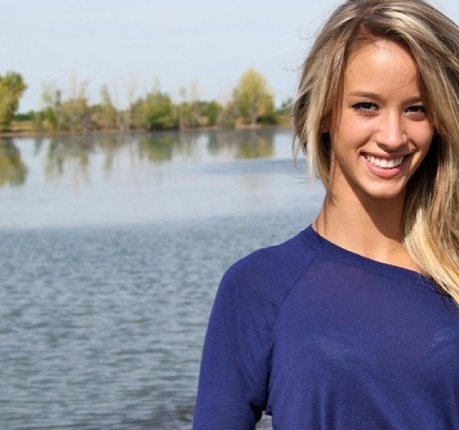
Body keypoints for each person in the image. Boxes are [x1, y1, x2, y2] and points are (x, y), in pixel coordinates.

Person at [193, 0, 459, 428]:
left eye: (417, 109)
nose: (393, 136)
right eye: (366, 106)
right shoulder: (259, 287)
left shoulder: (453, 272)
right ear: (323, 114)